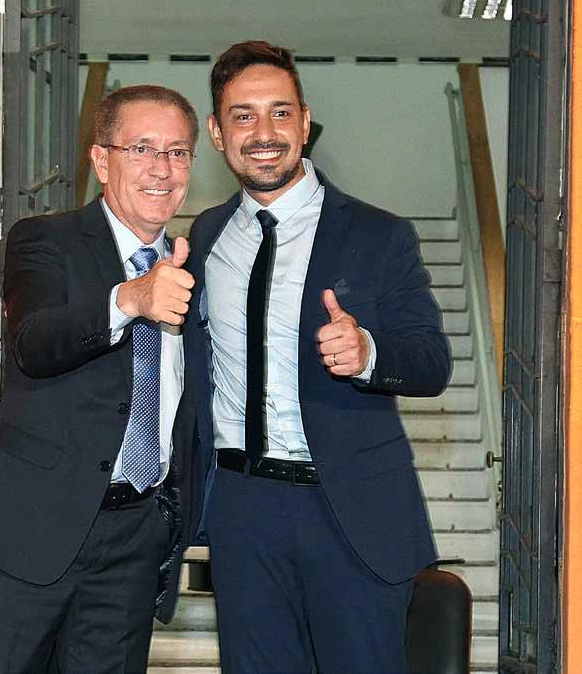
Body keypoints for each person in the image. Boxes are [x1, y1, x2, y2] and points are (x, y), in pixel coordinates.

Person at [185, 41, 451, 673]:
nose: (264, 132)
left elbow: (431, 361)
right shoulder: (206, 235)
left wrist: (368, 352)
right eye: (243, 116)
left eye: (280, 112)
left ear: (304, 123)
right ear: (218, 134)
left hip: (349, 510)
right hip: (242, 511)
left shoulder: (378, 234)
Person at [0, 84, 203, 673]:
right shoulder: (45, 240)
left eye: (178, 152)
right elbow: (33, 343)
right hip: (29, 528)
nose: (162, 169)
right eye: (142, 149)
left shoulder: (194, 268)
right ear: (102, 161)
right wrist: (129, 299)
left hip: (135, 539)